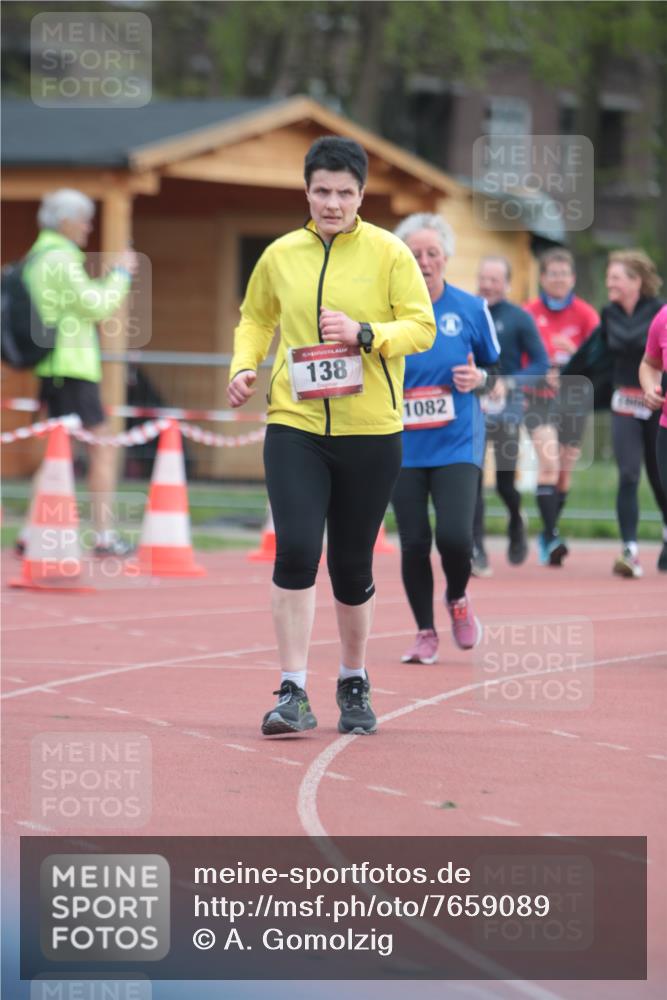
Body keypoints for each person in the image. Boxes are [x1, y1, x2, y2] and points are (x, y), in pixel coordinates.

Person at [227, 136, 435, 736]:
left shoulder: (390, 253)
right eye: (322, 191)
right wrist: (243, 366)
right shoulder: (280, 254)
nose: (333, 203)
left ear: (362, 195)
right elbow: (256, 318)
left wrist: (365, 332)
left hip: (371, 431)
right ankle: (292, 690)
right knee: (295, 548)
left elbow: (421, 328)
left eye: (345, 193)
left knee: (350, 564)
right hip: (295, 424)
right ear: (308, 192)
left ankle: (353, 678)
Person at [391, 215, 500, 665]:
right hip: (402, 445)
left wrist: (479, 378)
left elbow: (496, 374)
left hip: (458, 441)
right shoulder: (388, 309)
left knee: (455, 538)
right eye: (414, 254)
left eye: (432, 254)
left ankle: (457, 596)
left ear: (446, 258)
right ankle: (423, 632)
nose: (424, 262)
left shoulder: (471, 309)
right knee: (414, 541)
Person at [18, 189, 138, 556]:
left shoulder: (39, 255)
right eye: (85, 220)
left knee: (60, 452)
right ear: (67, 221)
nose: (88, 228)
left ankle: (29, 533)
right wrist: (120, 274)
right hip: (72, 367)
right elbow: (95, 306)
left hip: (57, 368)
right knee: (102, 449)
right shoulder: (60, 258)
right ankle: (104, 535)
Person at [472, 256, 549, 576]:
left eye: (495, 280)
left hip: (507, 407)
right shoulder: (469, 312)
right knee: (471, 478)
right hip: (472, 405)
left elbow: (541, 363)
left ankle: (516, 520)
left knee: (505, 483)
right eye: (484, 278)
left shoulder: (519, 318)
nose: (488, 285)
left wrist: (509, 382)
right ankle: (476, 548)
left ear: (507, 284)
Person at [524, 248, 599, 539]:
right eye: (552, 274)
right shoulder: (528, 313)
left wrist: (576, 354)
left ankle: (548, 530)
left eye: (564, 274)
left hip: (573, 399)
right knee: (549, 463)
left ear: (573, 278)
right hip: (537, 398)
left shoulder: (586, 314)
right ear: (542, 278)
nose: (558, 279)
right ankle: (551, 534)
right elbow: (516, 356)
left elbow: (600, 359)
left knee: (564, 471)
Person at [600, 251, 666, 577]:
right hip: (625, 401)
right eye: (608, 277)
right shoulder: (609, 313)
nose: (608, 283)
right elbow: (595, 351)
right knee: (628, 473)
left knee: (659, 477)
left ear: (636, 281)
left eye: (615, 277)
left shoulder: (659, 312)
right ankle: (630, 550)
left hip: (656, 402)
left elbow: (649, 353)